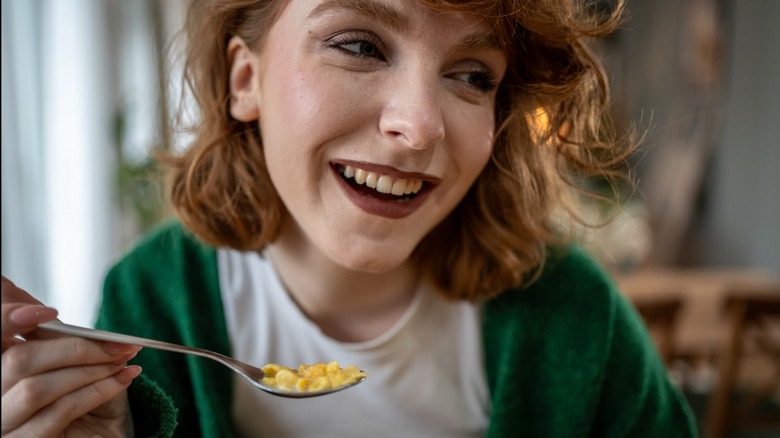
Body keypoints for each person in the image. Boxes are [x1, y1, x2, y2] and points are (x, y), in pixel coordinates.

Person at [2, 0, 697, 436]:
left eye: (471, 75)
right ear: (246, 80)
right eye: (360, 45)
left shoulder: (575, 313)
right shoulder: (153, 300)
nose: (420, 125)